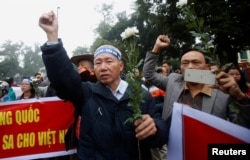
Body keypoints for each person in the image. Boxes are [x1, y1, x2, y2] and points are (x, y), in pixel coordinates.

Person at [38, 11, 168, 160]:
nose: (103, 67)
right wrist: (52, 38)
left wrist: (155, 128)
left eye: (109, 61)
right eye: (98, 63)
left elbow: (161, 133)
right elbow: (63, 79)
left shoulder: (141, 94)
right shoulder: (86, 92)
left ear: (121, 66)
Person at [143, 35, 250, 131]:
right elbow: (148, 74)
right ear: (180, 68)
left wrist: (240, 98)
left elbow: (243, 129)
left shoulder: (222, 91)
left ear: (207, 68)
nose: (190, 67)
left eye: (196, 62)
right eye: (185, 63)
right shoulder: (173, 81)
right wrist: (157, 47)